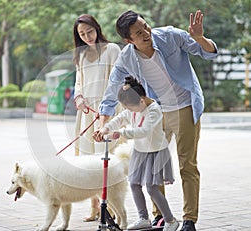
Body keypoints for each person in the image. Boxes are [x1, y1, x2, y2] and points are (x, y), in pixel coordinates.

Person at [94, 10, 218, 231]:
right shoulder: (127, 58)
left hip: (185, 108)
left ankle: (189, 220)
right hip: (156, 111)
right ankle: (160, 217)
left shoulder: (170, 36)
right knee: (154, 167)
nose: (146, 33)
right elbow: (112, 91)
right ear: (128, 40)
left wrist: (200, 38)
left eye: (146, 27)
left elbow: (208, 53)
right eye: (138, 33)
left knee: (187, 165)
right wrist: (103, 123)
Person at [96, 77, 179, 231]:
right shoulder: (134, 108)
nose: (130, 111)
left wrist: (120, 133)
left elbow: (144, 131)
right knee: (134, 184)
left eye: (131, 108)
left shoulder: (154, 110)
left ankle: (170, 220)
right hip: (140, 151)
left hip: (156, 152)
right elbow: (120, 118)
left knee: (152, 187)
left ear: (141, 101)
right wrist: (105, 128)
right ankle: (143, 218)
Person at [72, 14, 121, 222]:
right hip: (86, 113)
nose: (87, 37)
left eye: (89, 31)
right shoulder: (81, 55)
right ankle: (94, 208)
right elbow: (78, 82)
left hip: (107, 113)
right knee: (87, 162)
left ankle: (109, 208)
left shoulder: (112, 50)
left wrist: (105, 110)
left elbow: (118, 79)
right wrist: (79, 97)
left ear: (97, 28)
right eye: (82, 34)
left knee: (106, 160)